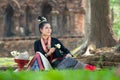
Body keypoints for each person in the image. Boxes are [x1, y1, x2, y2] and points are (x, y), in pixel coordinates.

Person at [30, 16, 96, 71]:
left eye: (50, 28)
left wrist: (68, 54)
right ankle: (88, 68)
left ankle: (89, 68)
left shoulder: (55, 40)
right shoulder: (37, 43)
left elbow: (65, 50)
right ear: (41, 30)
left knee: (70, 60)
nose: (49, 30)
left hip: (61, 61)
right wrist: (48, 53)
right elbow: (38, 58)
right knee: (70, 63)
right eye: (46, 28)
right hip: (51, 65)